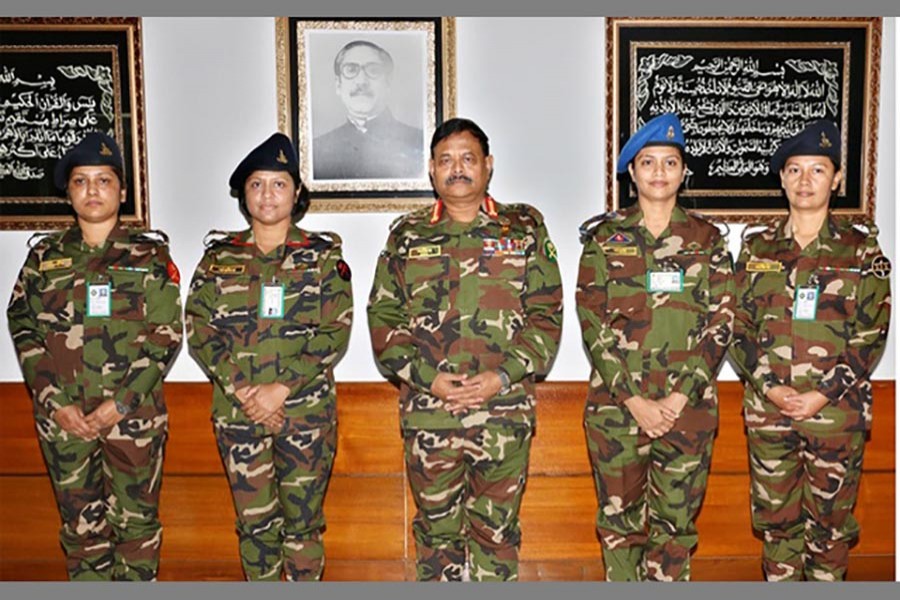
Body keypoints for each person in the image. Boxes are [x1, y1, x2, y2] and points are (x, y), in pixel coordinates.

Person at [367, 117, 563, 581]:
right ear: (431, 170)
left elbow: (546, 315)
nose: (458, 169)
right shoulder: (406, 235)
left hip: (503, 410)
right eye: (446, 160)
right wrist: (428, 379)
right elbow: (384, 320)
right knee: (437, 537)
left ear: (488, 166)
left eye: (468, 158)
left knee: (496, 534)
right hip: (430, 413)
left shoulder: (525, 226)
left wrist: (501, 376)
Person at [6, 132, 183, 580]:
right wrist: (55, 403)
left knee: (137, 529)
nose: (92, 190)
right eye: (81, 181)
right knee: (81, 531)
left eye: (103, 180)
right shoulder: (44, 258)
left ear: (122, 191)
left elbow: (165, 337)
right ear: (68, 192)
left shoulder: (150, 255)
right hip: (63, 421)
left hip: (133, 420)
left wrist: (117, 406)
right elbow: (22, 325)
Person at [185, 132, 352, 581]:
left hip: (305, 415)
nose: (267, 194)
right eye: (257, 184)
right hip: (238, 413)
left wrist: (280, 390)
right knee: (255, 526)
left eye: (279, 184)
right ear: (244, 194)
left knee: (303, 527)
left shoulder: (322, 257)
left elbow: (335, 330)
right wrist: (245, 392)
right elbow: (199, 329)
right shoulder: (219, 260)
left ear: (296, 193)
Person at [576, 113, 735, 581]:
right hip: (617, 410)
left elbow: (722, 320)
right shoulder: (605, 239)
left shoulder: (708, 241)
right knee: (620, 527)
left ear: (684, 172)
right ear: (632, 172)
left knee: (675, 529)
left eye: (670, 162)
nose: (660, 172)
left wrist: (677, 398)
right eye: (649, 162)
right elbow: (591, 321)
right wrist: (635, 400)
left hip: (689, 410)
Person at [729, 120, 891, 581]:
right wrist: (772, 390)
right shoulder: (757, 248)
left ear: (836, 179)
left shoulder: (862, 252)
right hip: (770, 415)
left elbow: (870, 333)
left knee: (830, 533)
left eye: (817, 170)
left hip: (835, 416)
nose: (805, 181)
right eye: (795, 170)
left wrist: (820, 394)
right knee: (778, 530)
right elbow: (738, 327)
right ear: (781, 177)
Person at [312, 39, 424, 180]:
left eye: (373, 70)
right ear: (338, 85)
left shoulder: (419, 143)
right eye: (351, 70)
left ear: (387, 83)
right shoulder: (317, 150)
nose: (361, 81)